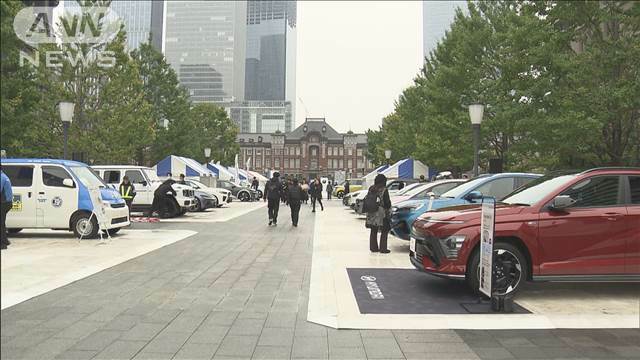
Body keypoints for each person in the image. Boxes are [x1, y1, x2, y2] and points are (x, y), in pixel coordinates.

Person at [365, 174, 391, 253]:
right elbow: (387, 203)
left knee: (373, 229)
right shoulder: (383, 189)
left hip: (371, 211)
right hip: (381, 212)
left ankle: (373, 248)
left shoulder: (371, 188)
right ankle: (383, 248)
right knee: (385, 229)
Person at [1, 166, 13, 250]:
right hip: (6, 203)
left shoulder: (1, 177)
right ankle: (5, 241)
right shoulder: (3, 176)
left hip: (3, 203)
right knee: (2, 223)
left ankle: (2, 244)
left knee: (0, 224)